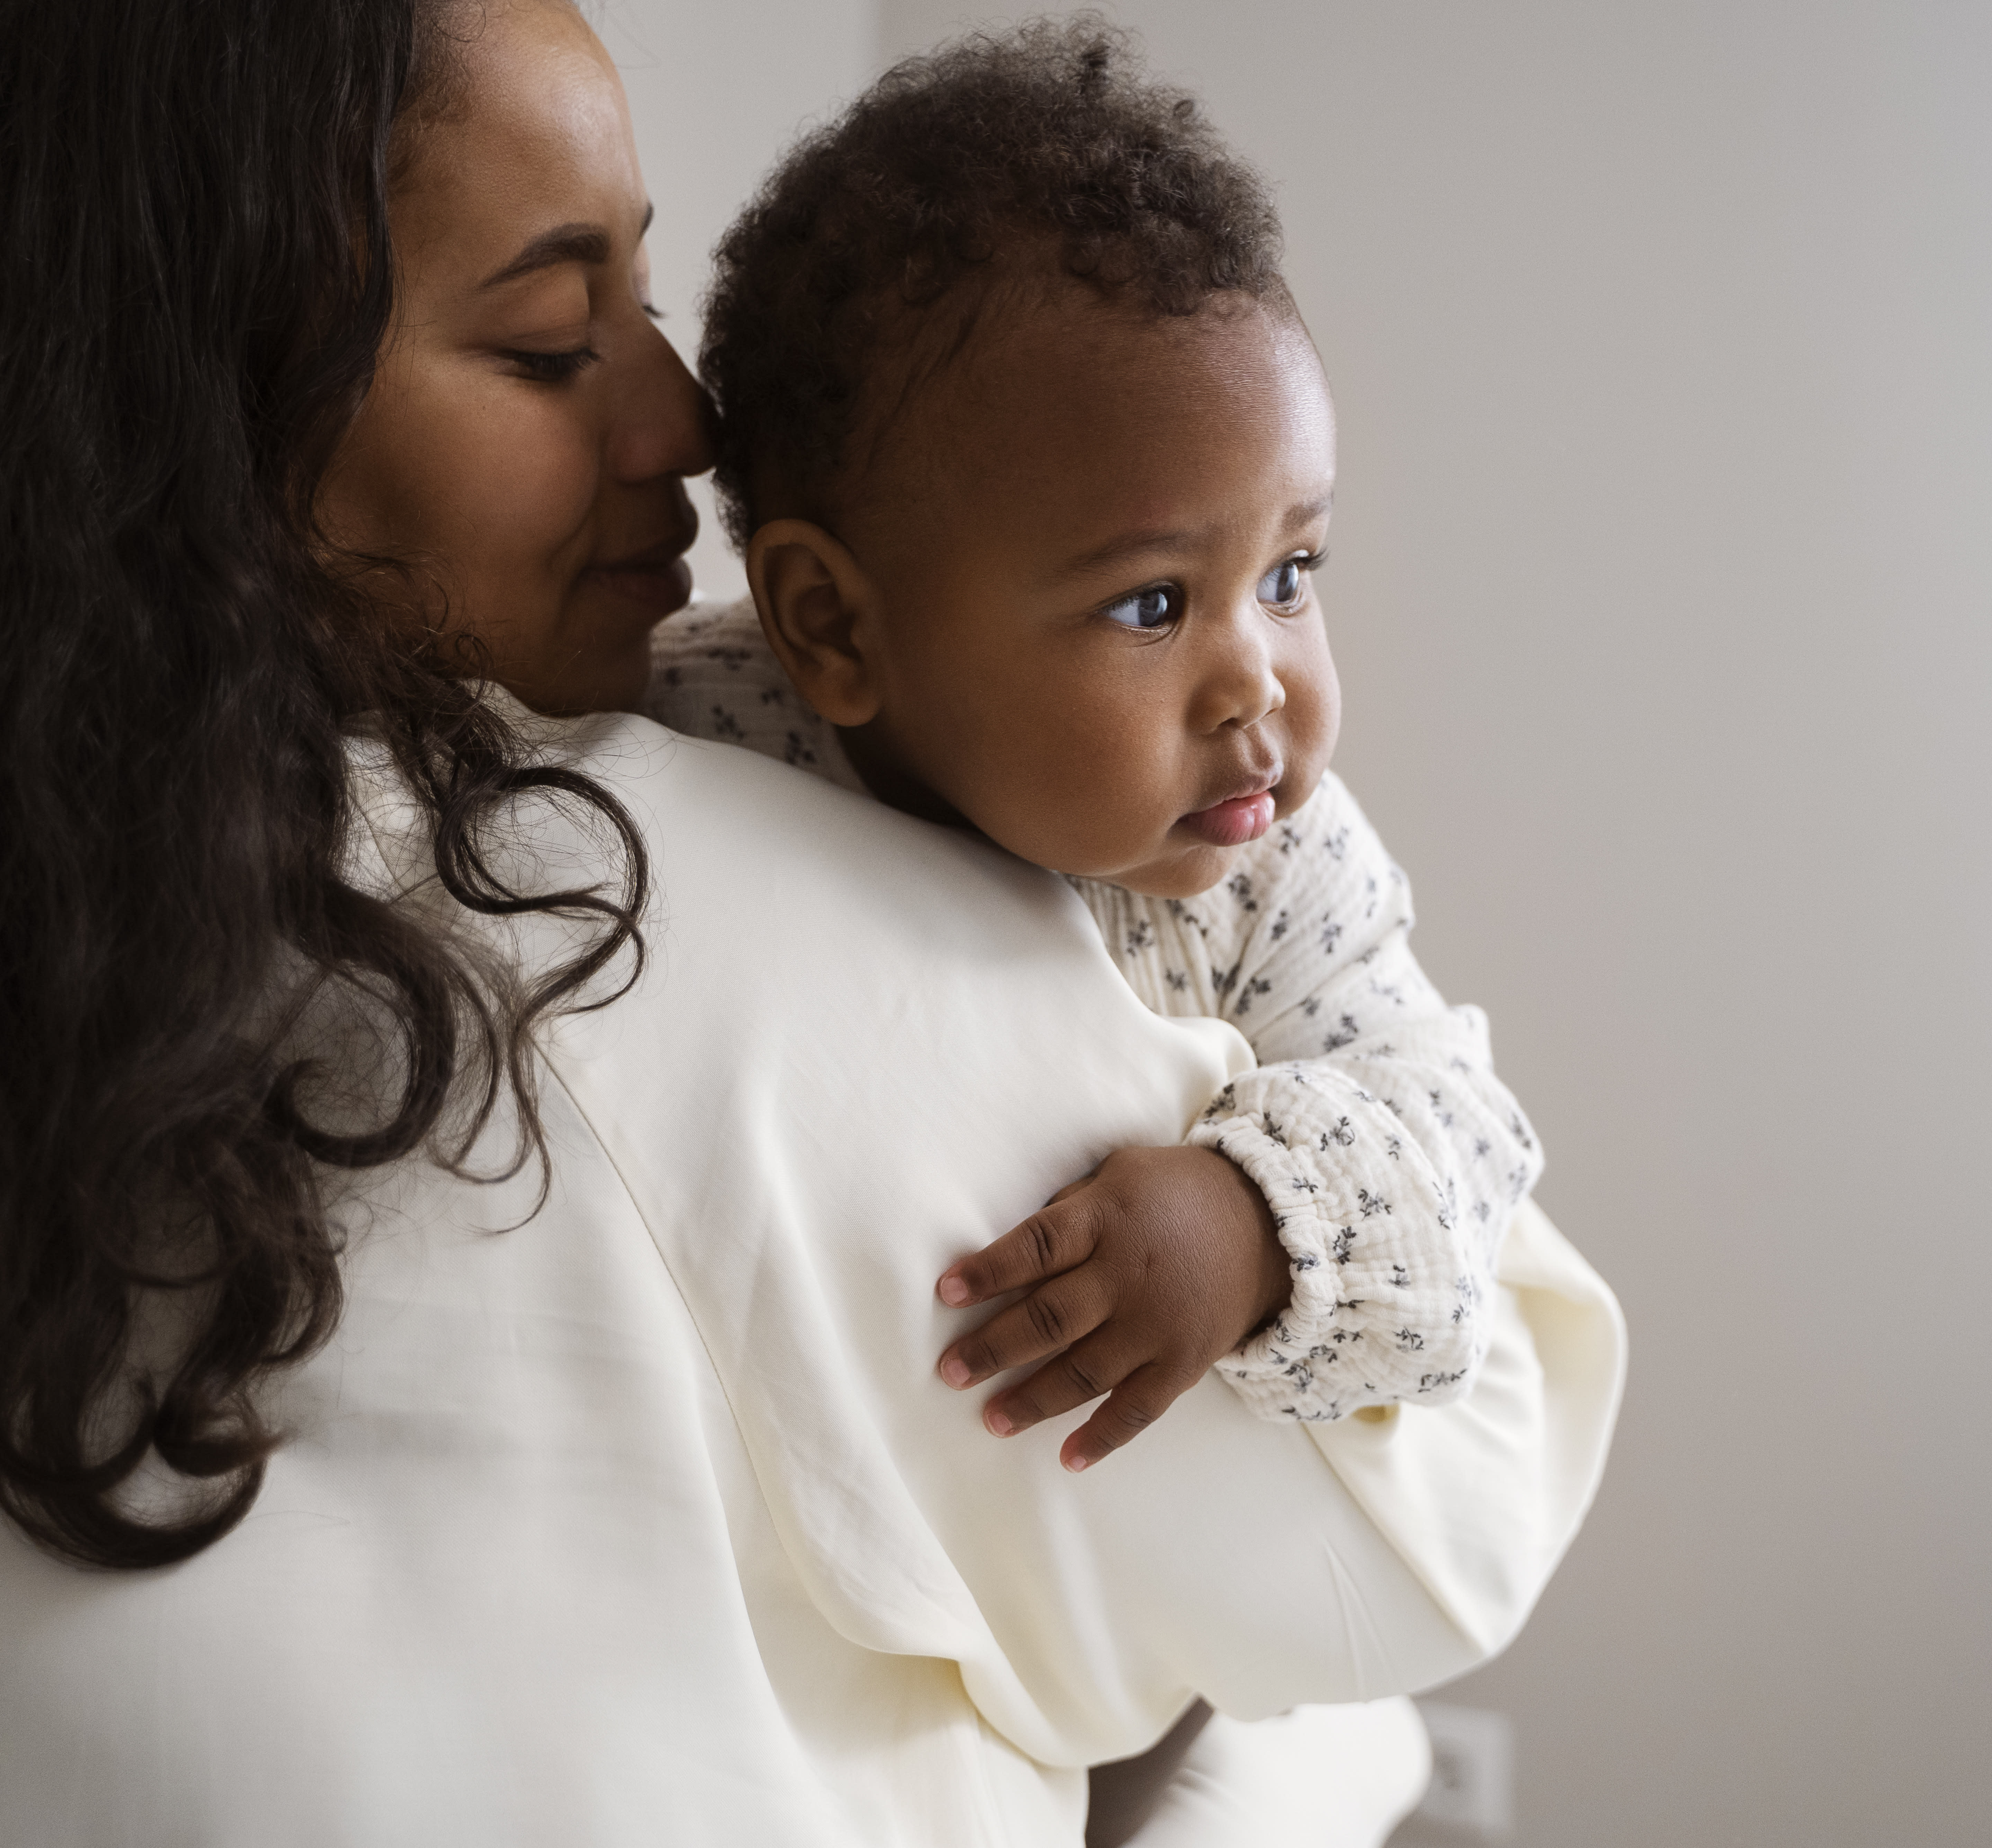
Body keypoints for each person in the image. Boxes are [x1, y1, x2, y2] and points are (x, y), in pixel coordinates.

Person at [0, 2, 1623, 1843]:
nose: (684, 414)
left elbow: (1431, 1109)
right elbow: (1447, 1506)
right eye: (546, 341)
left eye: (1296, 571)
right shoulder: (621, 899)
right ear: (191, 436)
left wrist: (1280, 1202)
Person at [647, 21, 1542, 1473]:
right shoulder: (696, 731)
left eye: (1292, 574)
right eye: (1151, 602)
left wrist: (1247, 1222)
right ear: (834, 628)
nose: (1256, 686)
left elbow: (1457, 1137)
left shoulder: (1282, 869)